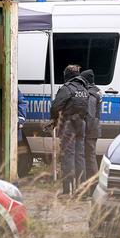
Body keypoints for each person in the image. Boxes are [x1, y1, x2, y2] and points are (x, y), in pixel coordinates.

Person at [50, 64, 89, 195]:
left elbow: (55, 106)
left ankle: (67, 190)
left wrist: (54, 119)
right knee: (80, 157)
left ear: (67, 75)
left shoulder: (67, 89)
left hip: (68, 125)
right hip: (81, 124)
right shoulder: (84, 88)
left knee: (68, 156)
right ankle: (82, 190)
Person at [80, 69, 102, 187]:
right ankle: (92, 184)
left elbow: (90, 113)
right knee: (90, 157)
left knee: (89, 158)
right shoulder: (96, 90)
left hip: (90, 129)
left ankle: (92, 186)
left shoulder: (91, 94)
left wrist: (84, 129)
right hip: (94, 128)